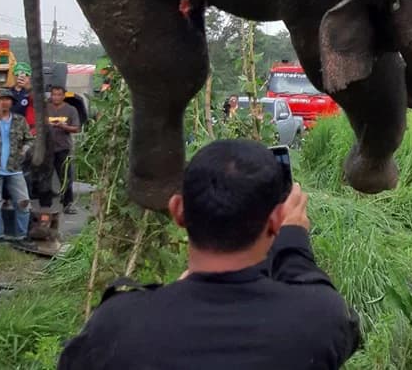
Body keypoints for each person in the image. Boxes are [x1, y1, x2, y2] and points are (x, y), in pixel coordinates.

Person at [57, 139, 360, 369]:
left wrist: (164, 298)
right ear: (275, 221)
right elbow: (329, 309)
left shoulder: (117, 325)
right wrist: (293, 241)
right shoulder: (318, 320)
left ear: (178, 211)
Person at [0, 89, 35, 242]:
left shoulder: (20, 120)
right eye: (1, 99)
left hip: (15, 168)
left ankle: (21, 235)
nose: (4, 102)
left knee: (23, 202)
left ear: (12, 102)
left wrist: (24, 150)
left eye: (7, 99)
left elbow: (29, 139)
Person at [45, 86, 82, 214]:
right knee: (45, 176)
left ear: (64, 96)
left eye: (59, 95)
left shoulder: (71, 110)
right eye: (54, 95)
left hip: (63, 147)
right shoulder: (46, 108)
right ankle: (45, 204)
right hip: (47, 148)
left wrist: (63, 126)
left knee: (65, 177)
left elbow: (76, 128)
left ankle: (68, 203)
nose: (56, 97)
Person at [11, 62, 37, 131]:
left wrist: (28, 88)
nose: (21, 77)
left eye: (25, 75)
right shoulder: (8, 92)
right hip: (11, 127)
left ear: (29, 77)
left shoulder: (32, 92)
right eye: (17, 74)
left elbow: (40, 103)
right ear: (13, 75)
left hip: (27, 128)